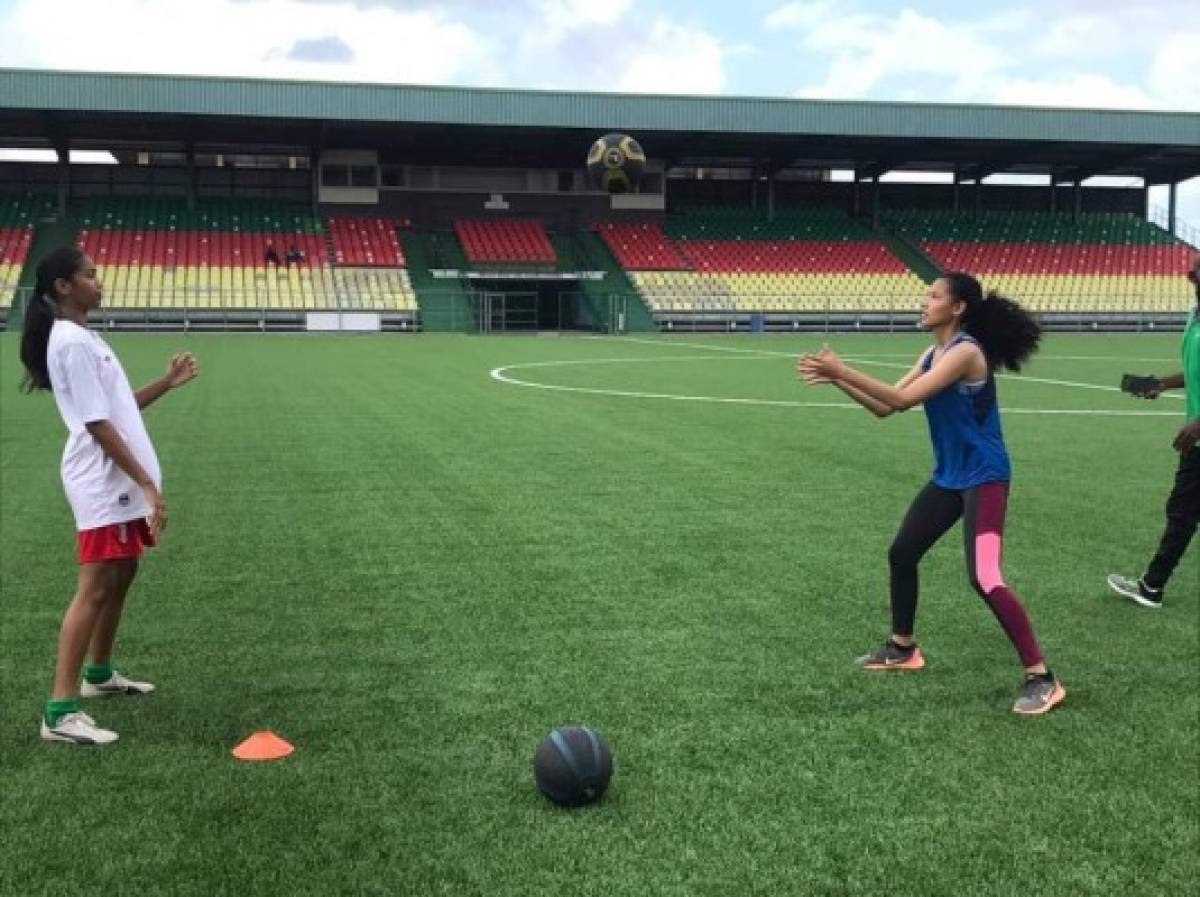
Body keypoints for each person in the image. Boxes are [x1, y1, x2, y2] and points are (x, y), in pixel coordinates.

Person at [797, 271, 1065, 715]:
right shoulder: (933, 354)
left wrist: (842, 369)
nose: (924, 303)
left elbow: (901, 402)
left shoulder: (965, 353)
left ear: (957, 308)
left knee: (986, 578)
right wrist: (837, 379)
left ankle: (1042, 677)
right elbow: (886, 407)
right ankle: (903, 648)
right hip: (950, 478)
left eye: (934, 296)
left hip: (985, 479)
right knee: (903, 552)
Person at [20, 246, 199, 745]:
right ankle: (59, 712)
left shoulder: (84, 338)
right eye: (90, 275)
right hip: (103, 483)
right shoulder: (72, 342)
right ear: (64, 287)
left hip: (114, 482)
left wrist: (166, 382)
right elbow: (97, 424)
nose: (99, 281)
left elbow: (116, 408)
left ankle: (99, 675)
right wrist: (144, 482)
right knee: (96, 585)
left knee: (124, 571)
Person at [1107, 255, 1200, 608]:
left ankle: (1151, 587)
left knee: (1182, 512)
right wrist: (1162, 383)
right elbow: (1195, 370)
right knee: (1184, 511)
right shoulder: (1194, 317)